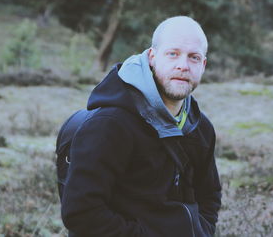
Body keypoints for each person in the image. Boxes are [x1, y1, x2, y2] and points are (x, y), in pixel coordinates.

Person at [61, 16, 222, 237]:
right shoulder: (109, 125)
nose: (183, 66)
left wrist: (202, 230)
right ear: (152, 57)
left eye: (193, 57)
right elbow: (81, 212)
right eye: (173, 53)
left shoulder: (200, 128)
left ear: (203, 65)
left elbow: (209, 195)